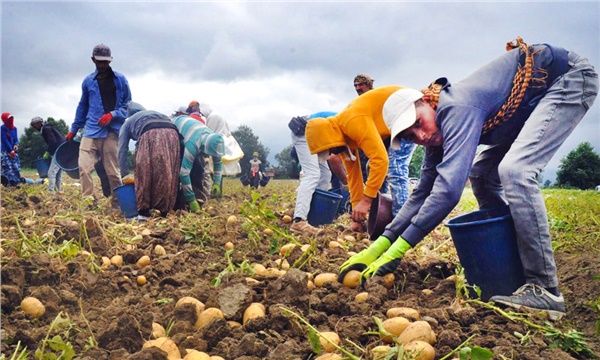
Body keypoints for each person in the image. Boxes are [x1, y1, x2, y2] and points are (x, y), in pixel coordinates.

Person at [341, 38, 598, 320]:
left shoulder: (456, 108)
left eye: (418, 123)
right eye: (412, 136)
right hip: (536, 99)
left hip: (567, 78)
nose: (422, 136)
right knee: (483, 175)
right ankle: (514, 266)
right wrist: (382, 243)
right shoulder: (436, 132)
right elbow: (424, 191)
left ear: (427, 101)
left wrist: (403, 246)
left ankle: (544, 289)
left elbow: (449, 191)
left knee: (516, 170)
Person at [305, 85, 409, 232]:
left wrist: (366, 201)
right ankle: (383, 220)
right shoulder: (342, 140)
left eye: (329, 150)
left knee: (395, 168)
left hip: (407, 111)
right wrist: (357, 215)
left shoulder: (352, 122)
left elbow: (380, 160)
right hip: (388, 127)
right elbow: (354, 178)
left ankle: (402, 227)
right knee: (376, 175)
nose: (331, 154)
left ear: (330, 139)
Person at [67, 44, 132, 207]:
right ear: (93, 60)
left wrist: (113, 114)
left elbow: (128, 105)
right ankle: (89, 202)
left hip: (111, 132)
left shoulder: (121, 80)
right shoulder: (88, 82)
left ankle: (118, 203)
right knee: (84, 168)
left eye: (105, 62)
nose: (102, 65)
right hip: (90, 131)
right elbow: (82, 106)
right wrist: (73, 129)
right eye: (99, 61)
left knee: (112, 172)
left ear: (110, 60)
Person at [355, 74, 417, 218]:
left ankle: (400, 219)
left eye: (360, 85)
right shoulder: (360, 104)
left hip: (405, 125)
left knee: (396, 168)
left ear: (369, 85)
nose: (358, 88)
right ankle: (381, 213)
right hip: (388, 137)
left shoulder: (377, 99)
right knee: (374, 167)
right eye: (355, 86)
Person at [118, 102, 181, 221]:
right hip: (173, 133)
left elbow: (122, 150)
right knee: (167, 172)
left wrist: (125, 175)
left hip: (150, 132)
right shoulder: (154, 113)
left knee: (144, 170)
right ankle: (164, 211)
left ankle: (144, 213)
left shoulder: (127, 123)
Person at [289, 111, 337, 235]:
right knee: (312, 174)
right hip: (303, 132)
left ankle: (312, 214)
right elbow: (336, 158)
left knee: (326, 174)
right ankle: (299, 220)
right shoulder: (346, 124)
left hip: (316, 136)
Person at [172, 113, 225, 212]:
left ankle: (196, 197)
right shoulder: (193, 143)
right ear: (205, 148)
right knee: (178, 170)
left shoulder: (215, 140)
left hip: (192, 130)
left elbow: (218, 164)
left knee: (198, 169)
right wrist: (191, 199)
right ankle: (179, 203)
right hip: (176, 131)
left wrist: (217, 182)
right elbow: (184, 173)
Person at [30, 117, 65, 192]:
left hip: (59, 151)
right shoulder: (48, 128)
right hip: (63, 150)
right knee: (58, 173)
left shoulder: (46, 129)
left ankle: (50, 191)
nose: (34, 127)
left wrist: (48, 151)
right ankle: (58, 191)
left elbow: (52, 141)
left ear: (39, 123)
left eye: (34, 126)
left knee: (51, 173)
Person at [1, 112, 21, 186]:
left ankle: (16, 183)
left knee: (16, 167)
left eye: (11, 118)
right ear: (5, 120)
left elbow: (16, 138)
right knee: (7, 167)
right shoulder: (2, 128)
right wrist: (10, 150)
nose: (10, 120)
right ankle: (7, 184)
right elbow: (4, 140)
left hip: (14, 151)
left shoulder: (14, 128)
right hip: (6, 151)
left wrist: (16, 145)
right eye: (9, 119)